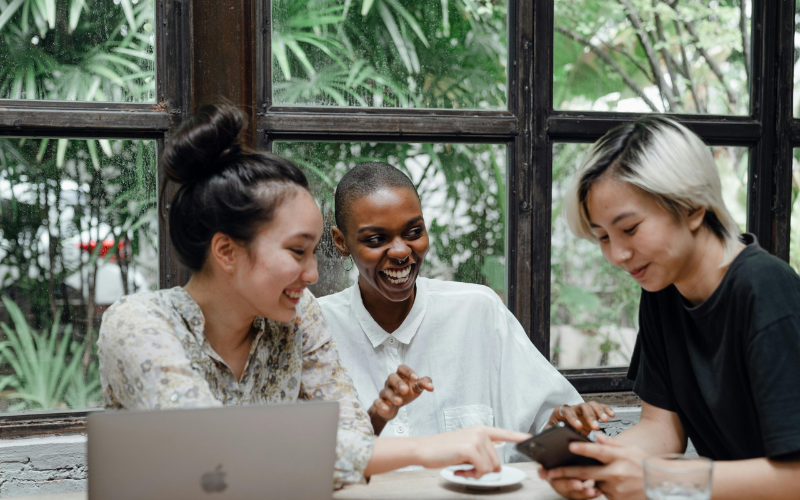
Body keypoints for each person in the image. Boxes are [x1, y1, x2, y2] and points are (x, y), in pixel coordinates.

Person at [97, 104, 530, 490]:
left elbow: (354, 442)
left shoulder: (297, 317)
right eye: (296, 251)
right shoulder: (139, 324)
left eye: (315, 250)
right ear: (226, 251)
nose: (313, 274)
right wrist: (424, 450)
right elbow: (213, 448)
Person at [542, 116, 800, 500]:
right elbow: (662, 429)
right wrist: (596, 464)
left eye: (629, 229)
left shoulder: (765, 290)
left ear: (693, 206)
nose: (617, 254)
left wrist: (662, 481)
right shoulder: (662, 290)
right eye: (603, 237)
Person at [317, 162, 598, 462]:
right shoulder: (317, 329)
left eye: (414, 231)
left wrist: (563, 428)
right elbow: (311, 462)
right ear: (341, 242)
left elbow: (549, 421)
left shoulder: (478, 311)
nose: (400, 252)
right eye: (376, 239)